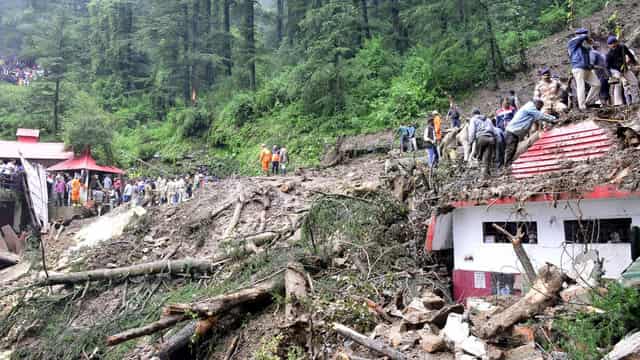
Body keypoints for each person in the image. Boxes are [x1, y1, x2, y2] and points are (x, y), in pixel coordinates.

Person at [504, 100, 558, 166]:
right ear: (537, 104)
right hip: (512, 131)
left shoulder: (530, 109)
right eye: (539, 107)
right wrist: (553, 119)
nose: (539, 109)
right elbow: (540, 115)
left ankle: (508, 165)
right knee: (511, 149)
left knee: (513, 149)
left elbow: (539, 118)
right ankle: (506, 166)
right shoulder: (530, 107)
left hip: (514, 132)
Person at [568, 28, 601, 110]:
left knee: (597, 84)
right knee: (581, 87)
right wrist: (589, 39)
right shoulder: (572, 42)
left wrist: (592, 66)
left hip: (586, 69)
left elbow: (586, 59)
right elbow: (582, 37)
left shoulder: (584, 47)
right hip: (578, 67)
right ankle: (582, 107)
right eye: (585, 34)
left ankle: (587, 103)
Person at [606, 35, 639, 105]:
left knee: (634, 82)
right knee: (617, 84)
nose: (613, 45)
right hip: (615, 70)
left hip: (624, 68)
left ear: (617, 42)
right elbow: (607, 66)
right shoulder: (609, 54)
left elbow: (630, 55)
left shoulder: (622, 47)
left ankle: (635, 101)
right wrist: (610, 76)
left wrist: (635, 63)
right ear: (608, 45)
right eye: (611, 44)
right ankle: (617, 103)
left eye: (614, 43)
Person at [468, 109, 496, 177]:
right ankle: (486, 174)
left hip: (481, 138)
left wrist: (470, 141)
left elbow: (472, 131)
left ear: (473, 114)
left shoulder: (473, 119)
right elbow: (493, 130)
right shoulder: (488, 119)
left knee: (479, 157)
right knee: (487, 158)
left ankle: (482, 174)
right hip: (490, 138)